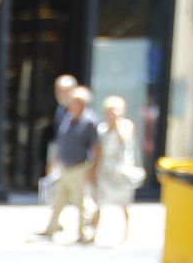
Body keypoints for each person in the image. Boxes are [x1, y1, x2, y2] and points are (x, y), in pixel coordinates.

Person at [38, 85, 98, 243]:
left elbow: (95, 147)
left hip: (79, 167)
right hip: (64, 166)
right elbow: (62, 142)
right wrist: (54, 160)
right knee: (59, 200)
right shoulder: (68, 118)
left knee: (81, 202)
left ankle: (83, 232)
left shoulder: (89, 122)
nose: (71, 105)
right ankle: (51, 229)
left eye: (74, 102)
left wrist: (93, 170)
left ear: (83, 104)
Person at [92, 95, 141, 242]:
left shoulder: (126, 125)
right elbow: (97, 152)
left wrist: (117, 123)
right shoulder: (102, 129)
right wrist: (92, 170)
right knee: (99, 202)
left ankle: (125, 233)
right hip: (105, 171)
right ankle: (94, 233)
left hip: (121, 172)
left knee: (124, 203)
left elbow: (124, 139)